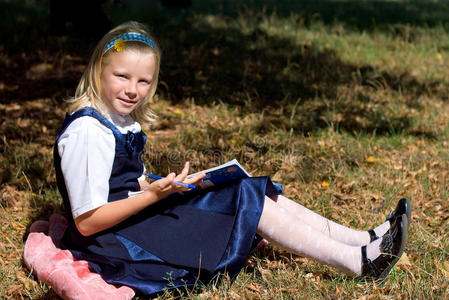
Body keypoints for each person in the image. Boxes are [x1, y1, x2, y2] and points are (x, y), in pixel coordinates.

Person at [53, 21, 411, 296]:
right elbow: (87, 221)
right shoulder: (87, 132)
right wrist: (152, 196)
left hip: (135, 217)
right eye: (122, 76)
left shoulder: (119, 121)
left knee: (249, 187)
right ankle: (359, 263)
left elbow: (128, 182)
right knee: (244, 199)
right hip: (114, 240)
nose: (133, 90)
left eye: (144, 81)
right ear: (98, 70)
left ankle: (362, 240)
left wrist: (168, 186)